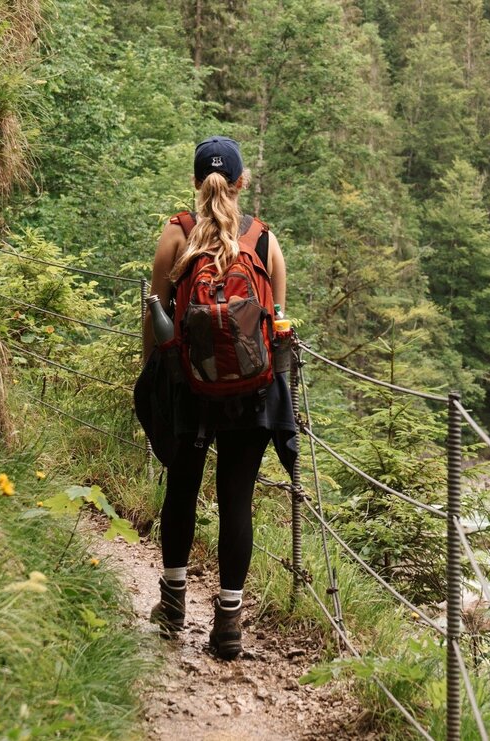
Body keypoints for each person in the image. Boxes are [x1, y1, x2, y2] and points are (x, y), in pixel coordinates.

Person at [142, 136, 295, 660]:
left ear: (194, 182)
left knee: (181, 490)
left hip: (189, 386)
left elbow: (156, 316)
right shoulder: (264, 240)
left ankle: (173, 606)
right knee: (236, 500)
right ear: (241, 183)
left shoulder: (175, 234)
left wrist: (156, 376)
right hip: (252, 394)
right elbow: (276, 325)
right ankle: (228, 623)